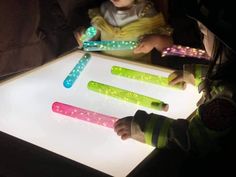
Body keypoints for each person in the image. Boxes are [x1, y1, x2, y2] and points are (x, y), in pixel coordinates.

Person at [114, 0, 235, 164]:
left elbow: (192, 139)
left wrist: (141, 127)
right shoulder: (230, 73)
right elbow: (217, 77)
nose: (202, 39)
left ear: (226, 45)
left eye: (204, 34)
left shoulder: (226, 102)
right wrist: (190, 75)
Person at [74, 0, 172, 63]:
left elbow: (168, 46)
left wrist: (156, 40)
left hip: (137, 66)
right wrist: (84, 36)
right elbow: (95, 31)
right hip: (106, 61)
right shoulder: (105, 8)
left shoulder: (147, 12)